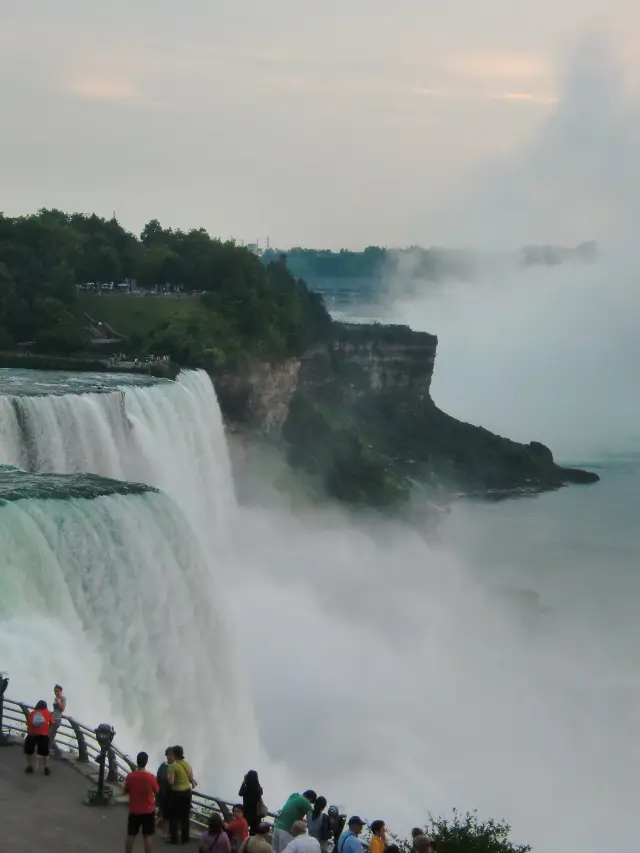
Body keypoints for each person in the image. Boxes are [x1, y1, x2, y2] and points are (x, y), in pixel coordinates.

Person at [124, 751, 160, 853]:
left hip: (134, 810)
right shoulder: (150, 777)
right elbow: (157, 791)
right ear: (146, 762)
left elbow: (125, 790)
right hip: (148, 810)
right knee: (147, 836)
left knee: (131, 835)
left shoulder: (130, 776)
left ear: (137, 761)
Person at [167, 744, 197, 845]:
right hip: (187, 793)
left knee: (174, 816)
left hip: (177, 793)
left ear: (174, 754)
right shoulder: (188, 765)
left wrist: (168, 777)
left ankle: (174, 839)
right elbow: (191, 778)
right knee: (185, 816)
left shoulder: (173, 766)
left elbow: (171, 782)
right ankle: (185, 838)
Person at [24, 700, 53, 776]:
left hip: (32, 735)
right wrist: (46, 728)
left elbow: (28, 723)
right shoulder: (48, 713)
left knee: (29, 752)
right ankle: (46, 768)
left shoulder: (32, 713)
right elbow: (52, 723)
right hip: (43, 735)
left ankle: (30, 767)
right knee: (45, 753)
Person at [239, 770, 264, 835]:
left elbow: (240, 793)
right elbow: (261, 792)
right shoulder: (258, 789)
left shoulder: (246, 788)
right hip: (256, 816)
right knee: (253, 835)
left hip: (246, 814)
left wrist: (244, 782)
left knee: (243, 833)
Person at [156, 748, 172, 838]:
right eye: (168, 755)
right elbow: (157, 778)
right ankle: (164, 832)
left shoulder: (175, 767)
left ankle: (167, 832)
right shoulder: (163, 766)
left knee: (168, 815)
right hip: (162, 793)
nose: (170, 757)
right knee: (162, 812)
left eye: (171, 755)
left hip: (171, 795)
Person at [49, 684, 66, 758]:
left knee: (50, 736)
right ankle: (57, 752)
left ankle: (55, 752)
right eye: (55, 691)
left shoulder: (62, 698)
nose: (56, 693)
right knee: (49, 735)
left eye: (57, 691)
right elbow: (56, 710)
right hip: (52, 719)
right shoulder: (56, 698)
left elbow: (62, 709)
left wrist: (58, 702)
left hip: (57, 720)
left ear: (61, 691)